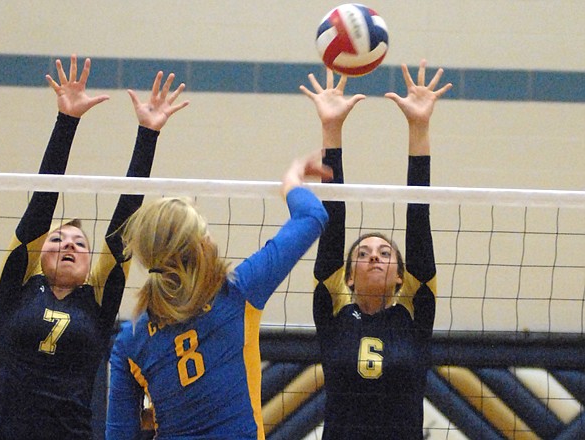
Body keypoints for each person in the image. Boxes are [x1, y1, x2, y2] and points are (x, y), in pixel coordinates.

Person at [0, 54, 189, 440]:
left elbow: (125, 223)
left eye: (79, 243)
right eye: (58, 239)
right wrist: (67, 121)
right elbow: (41, 203)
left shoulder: (96, 300)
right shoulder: (17, 288)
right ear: (39, 253)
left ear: (91, 262)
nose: (68, 245)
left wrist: (148, 134)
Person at [105, 151, 331, 439]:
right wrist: (291, 179)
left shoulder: (130, 338)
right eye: (205, 231)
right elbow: (312, 216)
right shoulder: (239, 291)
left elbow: (118, 434)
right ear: (199, 247)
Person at [301, 60, 452, 439]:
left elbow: (419, 216)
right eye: (364, 253)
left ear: (403, 275)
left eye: (385, 253)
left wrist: (419, 127)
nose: (373, 255)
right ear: (347, 276)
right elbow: (333, 217)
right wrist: (331, 129)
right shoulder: (332, 310)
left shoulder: (416, 311)